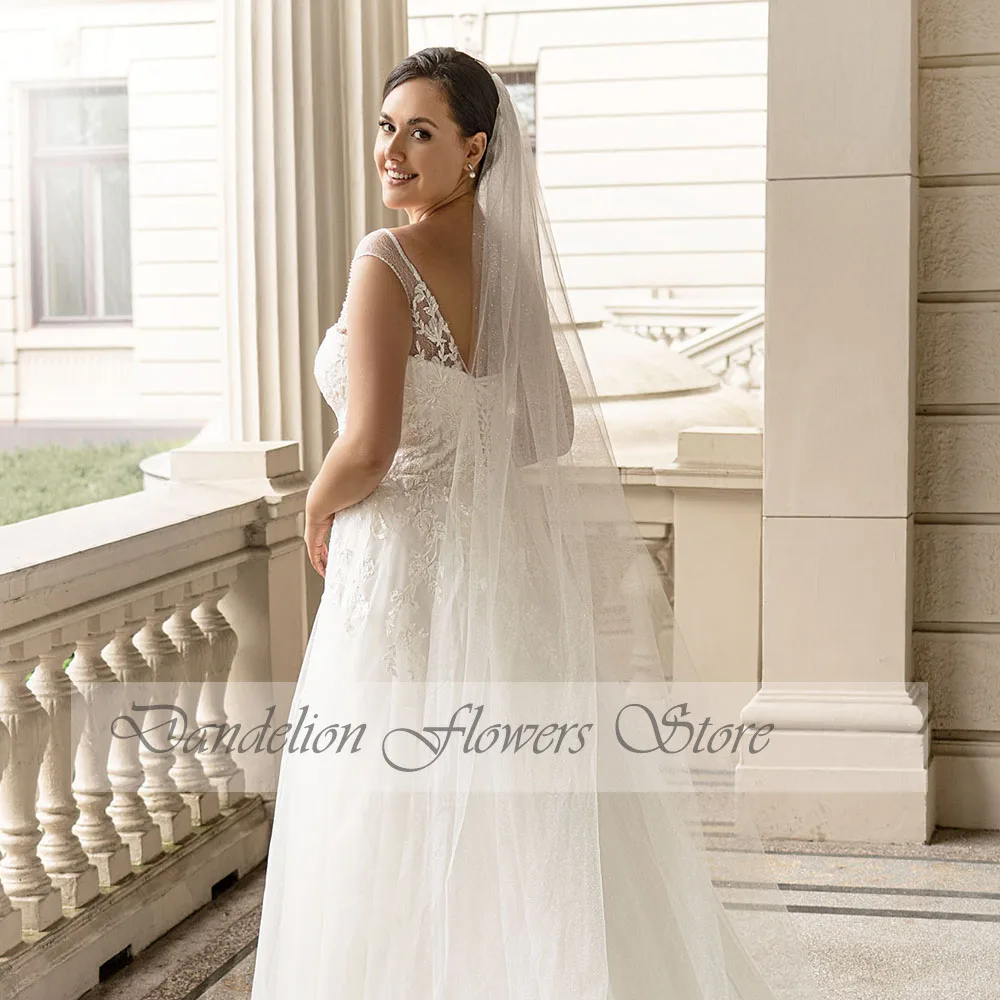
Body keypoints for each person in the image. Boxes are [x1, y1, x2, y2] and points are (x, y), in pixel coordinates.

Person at [249, 47, 826, 1000]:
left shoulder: (385, 260)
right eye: (387, 128)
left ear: (474, 149)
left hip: (397, 567)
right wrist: (465, 458)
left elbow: (369, 446)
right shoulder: (506, 261)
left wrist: (316, 504)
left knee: (385, 790)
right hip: (493, 567)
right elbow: (549, 427)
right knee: (520, 793)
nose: (393, 150)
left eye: (421, 132)